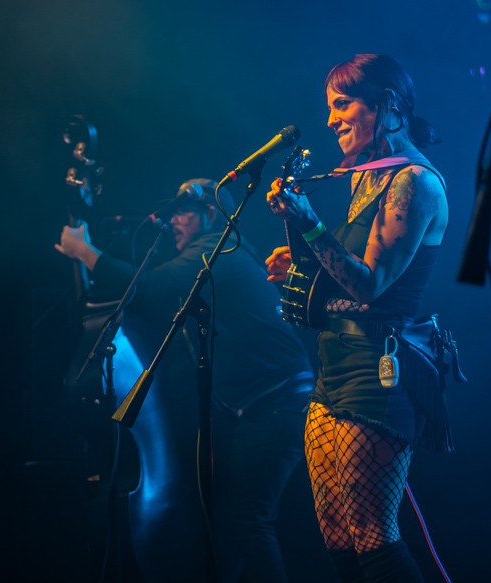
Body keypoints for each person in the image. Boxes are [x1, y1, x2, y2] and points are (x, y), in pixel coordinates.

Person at [54, 179, 315, 583]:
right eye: (172, 212)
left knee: (250, 520)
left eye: (183, 212)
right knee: (236, 520)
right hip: (264, 406)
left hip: (276, 405)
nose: (172, 220)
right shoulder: (217, 256)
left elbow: (149, 287)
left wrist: (85, 253)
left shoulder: (218, 250)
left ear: (211, 215)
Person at [264, 53, 450, 582]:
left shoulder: (414, 182)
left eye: (342, 104)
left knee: (373, 535)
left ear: (386, 105)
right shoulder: (361, 177)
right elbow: (337, 267)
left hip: (377, 372)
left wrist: (310, 222)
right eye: (330, 107)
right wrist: (296, 249)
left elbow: (369, 285)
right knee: (336, 532)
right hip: (332, 365)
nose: (330, 119)